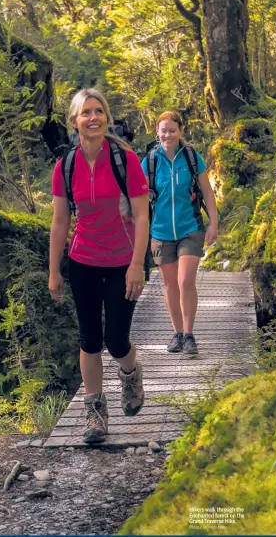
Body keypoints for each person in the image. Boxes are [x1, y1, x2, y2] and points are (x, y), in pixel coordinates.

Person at [48, 89, 150, 444]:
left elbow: (141, 214)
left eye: (99, 112)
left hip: (124, 262)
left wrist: (137, 264)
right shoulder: (66, 165)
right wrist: (54, 270)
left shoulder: (125, 160)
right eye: (85, 113)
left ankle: (130, 372)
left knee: (116, 339)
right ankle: (95, 413)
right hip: (83, 261)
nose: (93, 118)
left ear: (106, 118)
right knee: (89, 338)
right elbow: (60, 221)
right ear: (74, 122)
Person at [142, 111, 218, 356]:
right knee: (169, 284)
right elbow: (139, 198)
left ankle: (189, 334)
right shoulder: (150, 162)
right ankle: (176, 333)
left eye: (172, 130)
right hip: (161, 231)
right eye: (163, 130)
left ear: (180, 131)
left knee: (185, 281)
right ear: (157, 132)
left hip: (190, 228)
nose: (167, 135)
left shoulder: (192, 158)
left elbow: (207, 191)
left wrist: (213, 223)